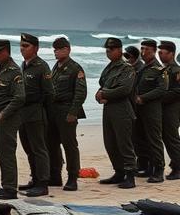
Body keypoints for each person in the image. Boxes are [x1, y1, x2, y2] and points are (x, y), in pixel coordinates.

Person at [96, 37, 138, 189]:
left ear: (120, 50)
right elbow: (102, 83)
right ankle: (119, 172)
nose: (108, 52)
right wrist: (99, 94)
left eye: (111, 49)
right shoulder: (109, 67)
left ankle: (130, 176)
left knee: (124, 144)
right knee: (110, 143)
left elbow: (125, 90)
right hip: (109, 110)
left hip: (122, 110)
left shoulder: (126, 68)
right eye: (107, 49)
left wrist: (104, 94)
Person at [47, 36, 87, 191]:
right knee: (52, 144)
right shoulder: (55, 68)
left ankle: (72, 177)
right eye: (54, 49)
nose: (56, 52)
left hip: (67, 110)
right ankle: (55, 175)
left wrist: (73, 112)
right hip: (53, 111)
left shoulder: (75, 68)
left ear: (67, 50)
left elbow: (81, 92)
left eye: (59, 49)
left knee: (69, 145)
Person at [16, 33, 53, 197]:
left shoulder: (42, 66)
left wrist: (38, 105)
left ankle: (43, 184)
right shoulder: (23, 65)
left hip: (36, 113)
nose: (22, 49)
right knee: (28, 149)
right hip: (22, 114)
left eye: (26, 46)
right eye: (21, 46)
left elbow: (49, 93)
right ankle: (35, 179)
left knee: (39, 149)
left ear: (35, 48)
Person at [0, 39, 25, 200]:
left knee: (7, 152)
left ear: (6, 52)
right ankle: (6, 185)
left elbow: (20, 97)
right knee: (0, 151)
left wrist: (4, 114)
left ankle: (10, 189)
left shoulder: (14, 71)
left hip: (8, 118)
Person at [133, 38, 168, 183]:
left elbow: (162, 89)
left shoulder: (159, 69)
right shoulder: (142, 68)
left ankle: (159, 170)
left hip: (152, 109)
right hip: (138, 110)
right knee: (140, 139)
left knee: (154, 140)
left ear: (154, 51)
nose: (143, 52)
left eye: (147, 49)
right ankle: (147, 167)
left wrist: (144, 98)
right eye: (142, 49)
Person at [158, 40, 180, 180]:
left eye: (162, 53)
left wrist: (159, 98)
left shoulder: (176, 70)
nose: (160, 55)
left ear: (171, 54)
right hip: (165, 108)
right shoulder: (165, 69)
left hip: (173, 108)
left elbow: (178, 91)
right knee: (167, 137)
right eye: (159, 53)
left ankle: (178, 168)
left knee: (171, 138)